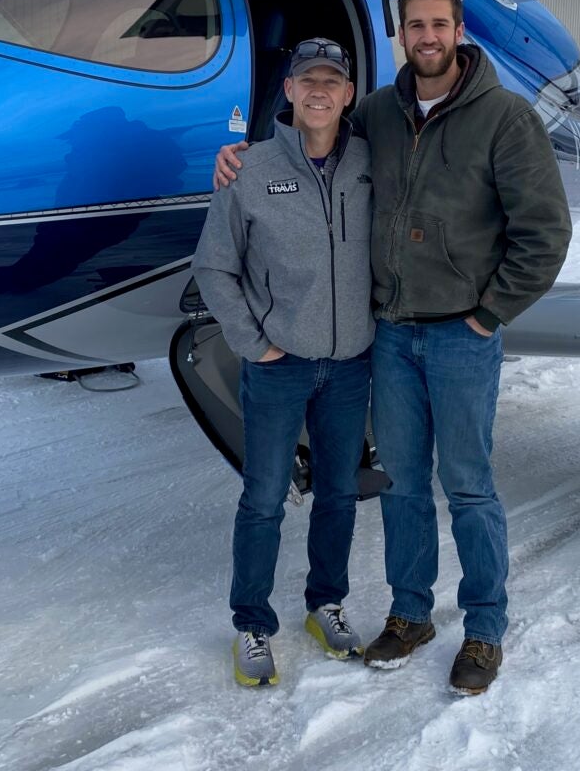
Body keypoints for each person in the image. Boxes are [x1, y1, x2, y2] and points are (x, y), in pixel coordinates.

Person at [214, 0, 572, 695]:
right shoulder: (376, 112)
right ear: (400, 34)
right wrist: (238, 158)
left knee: (467, 485)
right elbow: (305, 147)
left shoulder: (504, 119)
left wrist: (488, 312)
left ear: (459, 31)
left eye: (440, 24)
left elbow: (545, 233)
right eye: (416, 25)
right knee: (405, 484)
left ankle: (484, 627)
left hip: (462, 337)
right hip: (392, 335)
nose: (428, 36)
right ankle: (412, 613)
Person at [194, 38, 374, 687]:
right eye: (308, 80)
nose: (321, 90)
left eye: (333, 80)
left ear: (349, 94)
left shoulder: (371, 165)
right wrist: (253, 341)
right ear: (290, 91)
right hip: (277, 364)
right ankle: (252, 625)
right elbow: (215, 267)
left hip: (351, 365)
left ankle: (326, 603)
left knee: (341, 494)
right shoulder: (247, 169)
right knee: (264, 498)